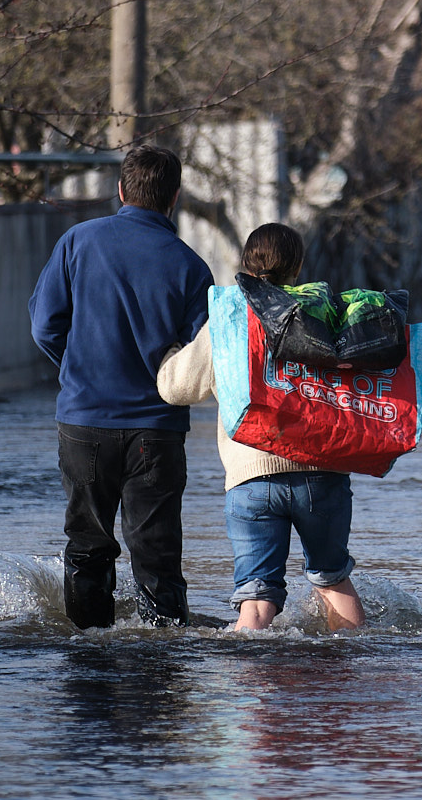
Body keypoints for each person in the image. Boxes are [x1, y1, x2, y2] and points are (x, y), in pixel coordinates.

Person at [29, 146, 213, 629]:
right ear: (175, 197)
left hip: (83, 421)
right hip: (156, 430)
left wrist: (75, 372)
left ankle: (89, 658)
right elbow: (202, 358)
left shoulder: (77, 241)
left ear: (120, 190)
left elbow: (45, 326)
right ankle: (162, 666)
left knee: (87, 547)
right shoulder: (191, 266)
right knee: (156, 556)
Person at [156, 223, 367, 633]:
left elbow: (175, 388)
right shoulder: (323, 315)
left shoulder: (231, 318)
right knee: (333, 581)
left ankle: (249, 693)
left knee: (256, 601)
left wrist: (170, 350)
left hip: (252, 478)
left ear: (246, 266)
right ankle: (348, 677)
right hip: (321, 476)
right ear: (298, 267)